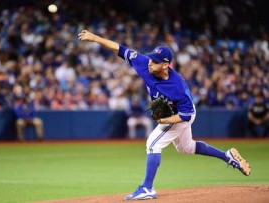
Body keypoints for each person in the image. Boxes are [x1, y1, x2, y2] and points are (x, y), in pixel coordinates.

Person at [78, 30, 251, 200]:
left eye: (155, 61)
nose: (150, 63)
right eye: (151, 58)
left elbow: (185, 115)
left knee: (153, 144)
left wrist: (164, 120)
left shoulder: (177, 87)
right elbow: (119, 48)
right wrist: (94, 38)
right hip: (177, 112)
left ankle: (147, 187)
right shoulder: (144, 63)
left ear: (165, 65)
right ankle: (227, 156)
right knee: (187, 148)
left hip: (182, 114)